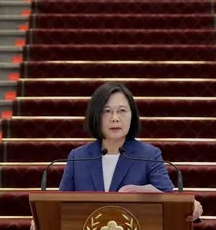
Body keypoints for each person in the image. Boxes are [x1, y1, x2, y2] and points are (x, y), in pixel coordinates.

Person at [32, 82, 203, 229]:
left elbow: (171, 203)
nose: (115, 118)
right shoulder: (78, 157)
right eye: (106, 111)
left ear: (132, 115)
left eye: (122, 110)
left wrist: (192, 207)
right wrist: (42, 220)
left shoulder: (149, 155)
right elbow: (61, 207)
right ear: (95, 116)